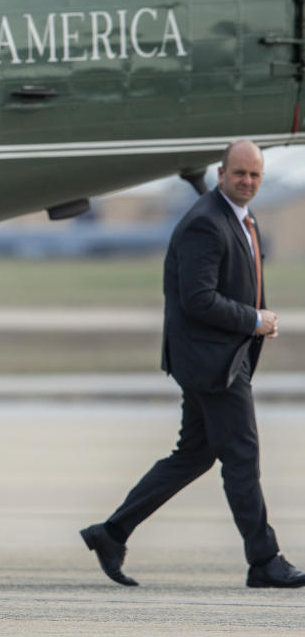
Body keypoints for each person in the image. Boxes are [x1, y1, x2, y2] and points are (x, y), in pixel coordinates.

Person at [81, 139, 305, 588]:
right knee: (241, 459)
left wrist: (257, 321)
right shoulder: (205, 222)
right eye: (239, 173)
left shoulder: (239, 216)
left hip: (221, 357)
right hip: (213, 363)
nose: (247, 181)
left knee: (194, 455)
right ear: (221, 174)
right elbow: (198, 299)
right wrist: (254, 319)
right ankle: (264, 560)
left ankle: (111, 533)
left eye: (255, 175)